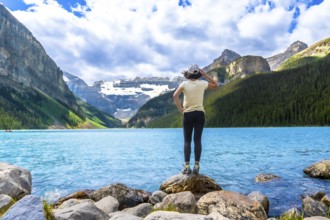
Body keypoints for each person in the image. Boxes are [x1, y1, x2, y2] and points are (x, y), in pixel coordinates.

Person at [173, 64, 219, 174]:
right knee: (197, 140)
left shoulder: (184, 84)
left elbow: (175, 96)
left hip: (188, 114)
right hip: (200, 114)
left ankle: (187, 166)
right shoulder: (203, 83)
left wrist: (181, 109)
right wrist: (205, 74)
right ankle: (197, 166)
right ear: (198, 73)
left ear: (188, 73)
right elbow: (216, 85)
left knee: (187, 140)